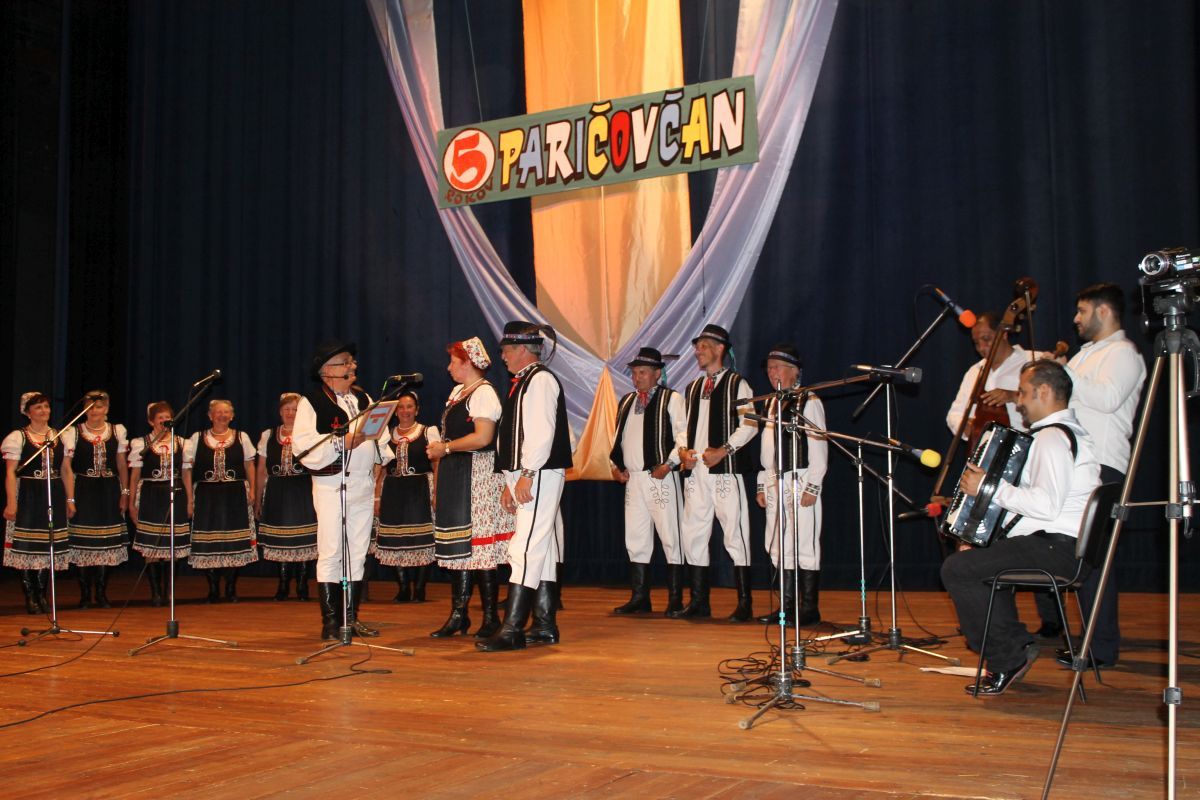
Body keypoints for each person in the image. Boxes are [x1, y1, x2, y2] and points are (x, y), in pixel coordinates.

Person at [941, 360, 1100, 696]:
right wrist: (984, 540)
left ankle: (1007, 657)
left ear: (1044, 391)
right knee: (973, 561)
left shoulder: (1051, 438)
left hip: (1058, 548)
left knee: (957, 569)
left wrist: (987, 487)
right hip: (1063, 546)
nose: (1019, 402)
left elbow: (1045, 505)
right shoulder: (1068, 433)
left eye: (1024, 393)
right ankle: (1014, 646)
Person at [1054, 282, 1147, 669]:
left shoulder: (1124, 353)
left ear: (1103, 311)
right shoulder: (1085, 355)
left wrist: (1064, 374)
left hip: (1104, 466)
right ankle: (1087, 640)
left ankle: (1101, 647)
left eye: (1082, 311)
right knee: (1079, 557)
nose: (1076, 319)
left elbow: (1108, 400)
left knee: (1095, 560)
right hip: (1080, 466)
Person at [477, 321, 571, 652]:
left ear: (521, 349)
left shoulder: (540, 380)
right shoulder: (525, 381)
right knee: (542, 548)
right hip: (531, 473)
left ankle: (512, 628)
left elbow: (541, 433)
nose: (502, 356)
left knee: (525, 546)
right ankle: (544, 625)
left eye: (505, 350)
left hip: (540, 472)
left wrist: (528, 474)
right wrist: (510, 480)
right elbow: (516, 436)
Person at [292, 340, 393, 640]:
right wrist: (342, 442)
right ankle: (331, 621)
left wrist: (378, 457)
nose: (353, 366)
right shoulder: (311, 402)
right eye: (346, 362)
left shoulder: (363, 398)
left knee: (357, 552)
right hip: (332, 484)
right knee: (332, 550)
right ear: (327, 371)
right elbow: (303, 446)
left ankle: (351, 617)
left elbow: (380, 437)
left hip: (362, 483)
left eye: (352, 361)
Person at [426, 337, 513, 639]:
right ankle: (459, 615)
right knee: (461, 546)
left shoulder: (483, 392)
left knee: (480, 547)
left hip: (477, 474)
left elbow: (483, 437)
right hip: (457, 474)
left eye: (453, 362)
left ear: (467, 364)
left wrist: (446, 448)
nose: (448, 367)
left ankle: (490, 617)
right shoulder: (457, 393)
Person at [673, 323, 758, 622]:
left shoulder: (738, 384)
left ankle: (745, 603)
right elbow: (683, 428)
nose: (698, 351)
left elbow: (750, 424)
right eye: (697, 347)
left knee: (735, 532)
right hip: (696, 471)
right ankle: (699, 601)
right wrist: (684, 451)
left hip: (725, 471)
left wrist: (724, 450)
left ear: (720, 348)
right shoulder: (693, 387)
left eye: (704, 346)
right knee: (693, 532)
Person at [609, 346, 686, 615]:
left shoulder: (671, 399)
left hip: (660, 476)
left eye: (642, 372)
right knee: (636, 537)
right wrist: (616, 466)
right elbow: (618, 437)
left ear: (657, 373)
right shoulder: (627, 401)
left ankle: (675, 598)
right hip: (634, 479)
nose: (637, 377)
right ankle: (640, 596)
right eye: (634, 373)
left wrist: (669, 464)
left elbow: (683, 436)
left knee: (671, 536)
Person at [754, 344, 827, 626]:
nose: (771, 372)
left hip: (801, 477)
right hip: (776, 479)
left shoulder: (809, 400)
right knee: (777, 543)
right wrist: (763, 482)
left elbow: (818, 443)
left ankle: (808, 608)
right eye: (769, 368)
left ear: (794, 371)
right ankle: (786, 607)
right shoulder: (771, 403)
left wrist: (813, 485)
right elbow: (767, 447)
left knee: (804, 541)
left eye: (777, 367)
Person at [61, 391, 130, 609]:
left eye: (99, 406)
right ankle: (84, 594)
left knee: (106, 544)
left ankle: (101, 592)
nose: (94, 411)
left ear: (106, 409)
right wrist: (70, 498)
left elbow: (121, 464)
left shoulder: (117, 431)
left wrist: (125, 492)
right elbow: (66, 468)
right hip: (84, 489)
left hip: (109, 490)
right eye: (90, 407)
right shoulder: (73, 432)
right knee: (83, 543)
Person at [185, 399, 258, 602]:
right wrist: (189, 498)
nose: (222, 415)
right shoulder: (197, 438)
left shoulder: (242, 437)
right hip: (206, 496)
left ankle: (231, 588)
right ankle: (213, 588)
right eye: (218, 412)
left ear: (232, 416)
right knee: (209, 542)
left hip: (235, 494)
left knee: (234, 540)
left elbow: (250, 465)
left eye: (226, 412)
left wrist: (252, 489)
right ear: (210, 416)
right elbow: (187, 470)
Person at [3, 393, 69, 613]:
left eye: (46, 406)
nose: (44, 411)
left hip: (52, 492)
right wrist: (11, 502)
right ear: (27, 412)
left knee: (47, 545)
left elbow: (66, 470)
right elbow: (11, 473)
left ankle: (41, 594)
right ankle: (30, 595)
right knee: (26, 547)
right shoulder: (18, 437)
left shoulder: (59, 436)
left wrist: (70, 499)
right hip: (28, 493)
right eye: (38, 407)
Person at [373, 390, 438, 604]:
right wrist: (376, 497)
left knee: (422, 539)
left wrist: (437, 492)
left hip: (420, 488)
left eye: (409, 406)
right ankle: (402, 588)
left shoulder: (428, 432)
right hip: (393, 490)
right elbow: (381, 469)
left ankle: (419, 588)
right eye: (400, 407)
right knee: (395, 539)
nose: (405, 411)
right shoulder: (386, 435)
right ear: (395, 411)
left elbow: (437, 464)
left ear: (417, 410)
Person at [129, 401, 192, 606]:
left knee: (173, 546)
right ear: (151, 421)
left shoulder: (182, 443)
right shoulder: (142, 443)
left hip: (175, 493)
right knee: (152, 546)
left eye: (167, 417)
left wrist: (190, 500)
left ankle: (170, 590)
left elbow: (186, 474)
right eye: (160, 418)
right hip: (151, 496)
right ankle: (156, 592)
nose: (164, 421)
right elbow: (135, 475)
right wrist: (131, 502)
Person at [256, 392, 317, 602]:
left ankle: (302, 583)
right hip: (278, 491)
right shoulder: (269, 435)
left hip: (302, 490)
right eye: (286, 409)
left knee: (305, 539)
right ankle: (283, 583)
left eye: (295, 410)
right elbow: (261, 470)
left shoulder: (309, 434)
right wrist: (258, 498)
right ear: (280, 412)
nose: (290, 413)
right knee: (280, 539)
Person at [946, 312, 1042, 436]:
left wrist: (1013, 396)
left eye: (986, 339)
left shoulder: (1034, 361)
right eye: (976, 343)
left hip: (1026, 441)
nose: (981, 347)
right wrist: (969, 428)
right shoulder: (974, 371)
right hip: (983, 445)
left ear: (1004, 334)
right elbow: (954, 414)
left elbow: (1050, 401)